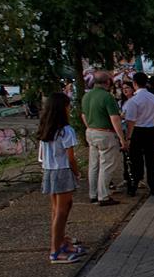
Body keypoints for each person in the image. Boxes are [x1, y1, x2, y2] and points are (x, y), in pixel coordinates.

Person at [38, 92, 86, 264]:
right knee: (62, 211)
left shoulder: (45, 128)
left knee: (56, 209)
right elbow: (71, 157)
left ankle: (60, 242)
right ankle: (56, 250)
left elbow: (42, 155)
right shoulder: (66, 130)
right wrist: (77, 172)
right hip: (63, 170)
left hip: (49, 171)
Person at [81, 71, 127, 206]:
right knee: (106, 165)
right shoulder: (107, 97)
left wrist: (90, 127)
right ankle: (104, 195)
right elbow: (115, 119)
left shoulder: (86, 96)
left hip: (91, 131)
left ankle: (93, 193)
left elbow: (83, 116)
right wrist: (122, 139)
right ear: (107, 82)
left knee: (94, 165)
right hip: (105, 133)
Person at [124, 72, 154, 197]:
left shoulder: (133, 101)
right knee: (151, 159)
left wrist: (128, 137)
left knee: (136, 159)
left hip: (137, 131)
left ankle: (134, 185)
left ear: (134, 84)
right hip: (150, 130)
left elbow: (131, 121)